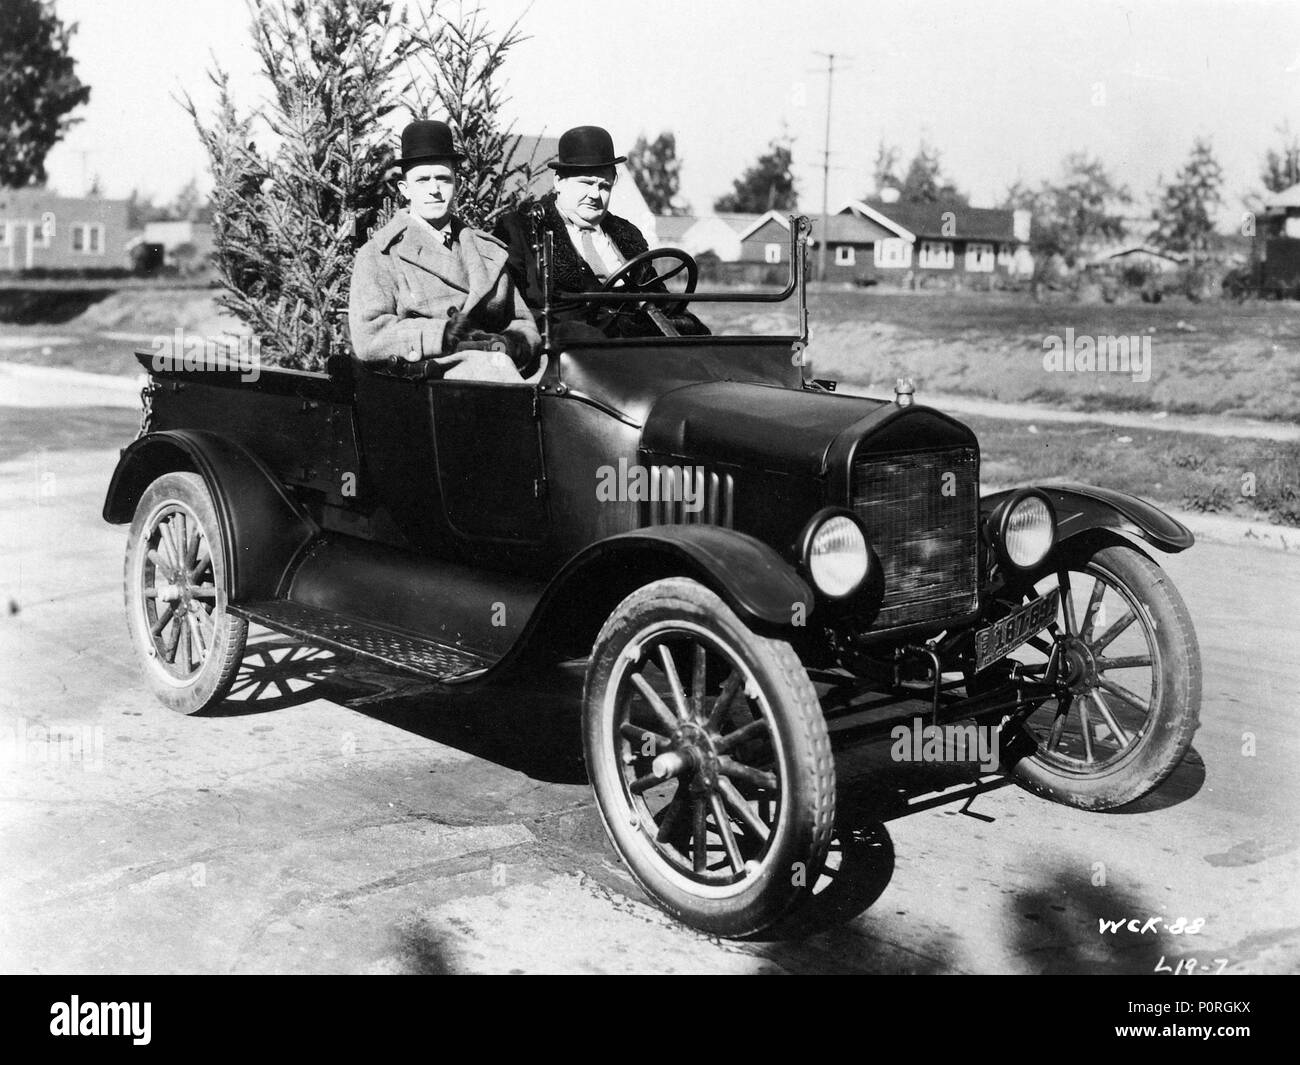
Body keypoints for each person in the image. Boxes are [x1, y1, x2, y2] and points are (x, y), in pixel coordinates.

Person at [349, 120, 540, 379]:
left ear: (457, 186)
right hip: (426, 375)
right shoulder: (380, 254)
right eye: (423, 180)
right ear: (405, 190)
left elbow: (521, 320)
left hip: (494, 361)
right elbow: (370, 337)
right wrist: (441, 334)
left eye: (443, 179)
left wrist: (513, 342)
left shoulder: (487, 252)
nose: (434, 190)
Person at [494, 125, 706, 338]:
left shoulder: (626, 235)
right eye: (585, 183)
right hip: (573, 351)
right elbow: (509, 308)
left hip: (638, 348)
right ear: (558, 182)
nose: (595, 195)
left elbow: (658, 298)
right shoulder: (523, 230)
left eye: (604, 186)